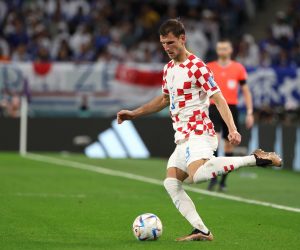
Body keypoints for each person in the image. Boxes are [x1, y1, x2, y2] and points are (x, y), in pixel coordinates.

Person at [117, 19, 281, 242]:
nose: (166, 47)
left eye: (171, 42)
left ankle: (255, 158)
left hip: (199, 131)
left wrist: (232, 128)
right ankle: (201, 230)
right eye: (163, 43)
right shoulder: (168, 69)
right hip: (181, 136)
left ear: (182, 39)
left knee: (197, 175)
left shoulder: (198, 66)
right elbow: (165, 99)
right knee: (171, 183)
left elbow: (219, 98)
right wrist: (134, 114)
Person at [207, 39, 254, 192]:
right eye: (220, 48)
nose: (222, 50)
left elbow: (246, 91)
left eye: (225, 48)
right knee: (214, 140)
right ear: (217, 50)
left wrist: (249, 112)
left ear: (230, 50)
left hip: (231, 108)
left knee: (229, 143)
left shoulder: (238, 68)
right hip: (213, 107)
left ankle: (223, 181)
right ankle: (213, 177)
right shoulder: (209, 67)